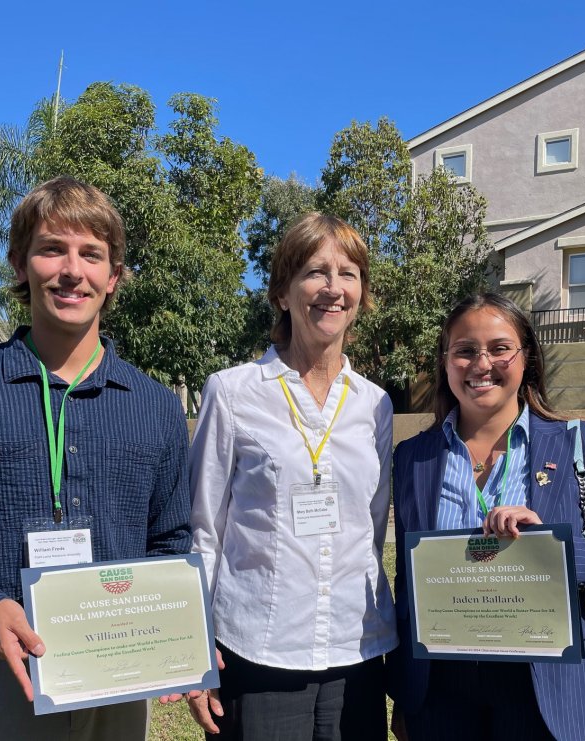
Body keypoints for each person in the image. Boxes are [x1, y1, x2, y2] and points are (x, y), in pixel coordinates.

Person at [0, 176, 191, 740]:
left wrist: (174, 635)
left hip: (117, 678)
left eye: (91, 255)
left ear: (113, 277)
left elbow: (171, 542)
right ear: (22, 266)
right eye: (52, 248)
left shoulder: (155, 407)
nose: (72, 270)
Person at [388, 292, 585, 741]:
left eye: (500, 348)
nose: (482, 364)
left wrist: (553, 549)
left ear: (527, 359)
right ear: (446, 363)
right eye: (465, 350)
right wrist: (405, 696)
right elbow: (409, 584)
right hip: (439, 692)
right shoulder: (412, 458)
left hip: (543, 690)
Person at [186, 213, 397, 740]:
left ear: (361, 293)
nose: (333, 288)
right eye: (314, 272)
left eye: (348, 273)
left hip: (359, 647)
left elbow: (370, 530)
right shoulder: (232, 392)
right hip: (259, 650)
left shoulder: (375, 404)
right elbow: (204, 530)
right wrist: (196, 650)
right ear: (282, 292)